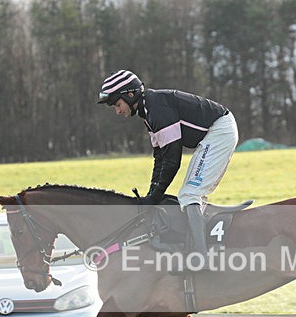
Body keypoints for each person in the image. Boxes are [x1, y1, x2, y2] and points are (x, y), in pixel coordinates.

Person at [97, 70, 238, 266]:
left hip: (219, 131)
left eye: (117, 104)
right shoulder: (148, 111)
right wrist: (151, 193)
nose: (117, 111)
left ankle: (201, 257)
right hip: (215, 132)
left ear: (130, 95)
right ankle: (198, 243)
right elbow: (160, 158)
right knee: (188, 194)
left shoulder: (157, 110)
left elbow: (172, 161)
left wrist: (154, 197)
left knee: (190, 194)